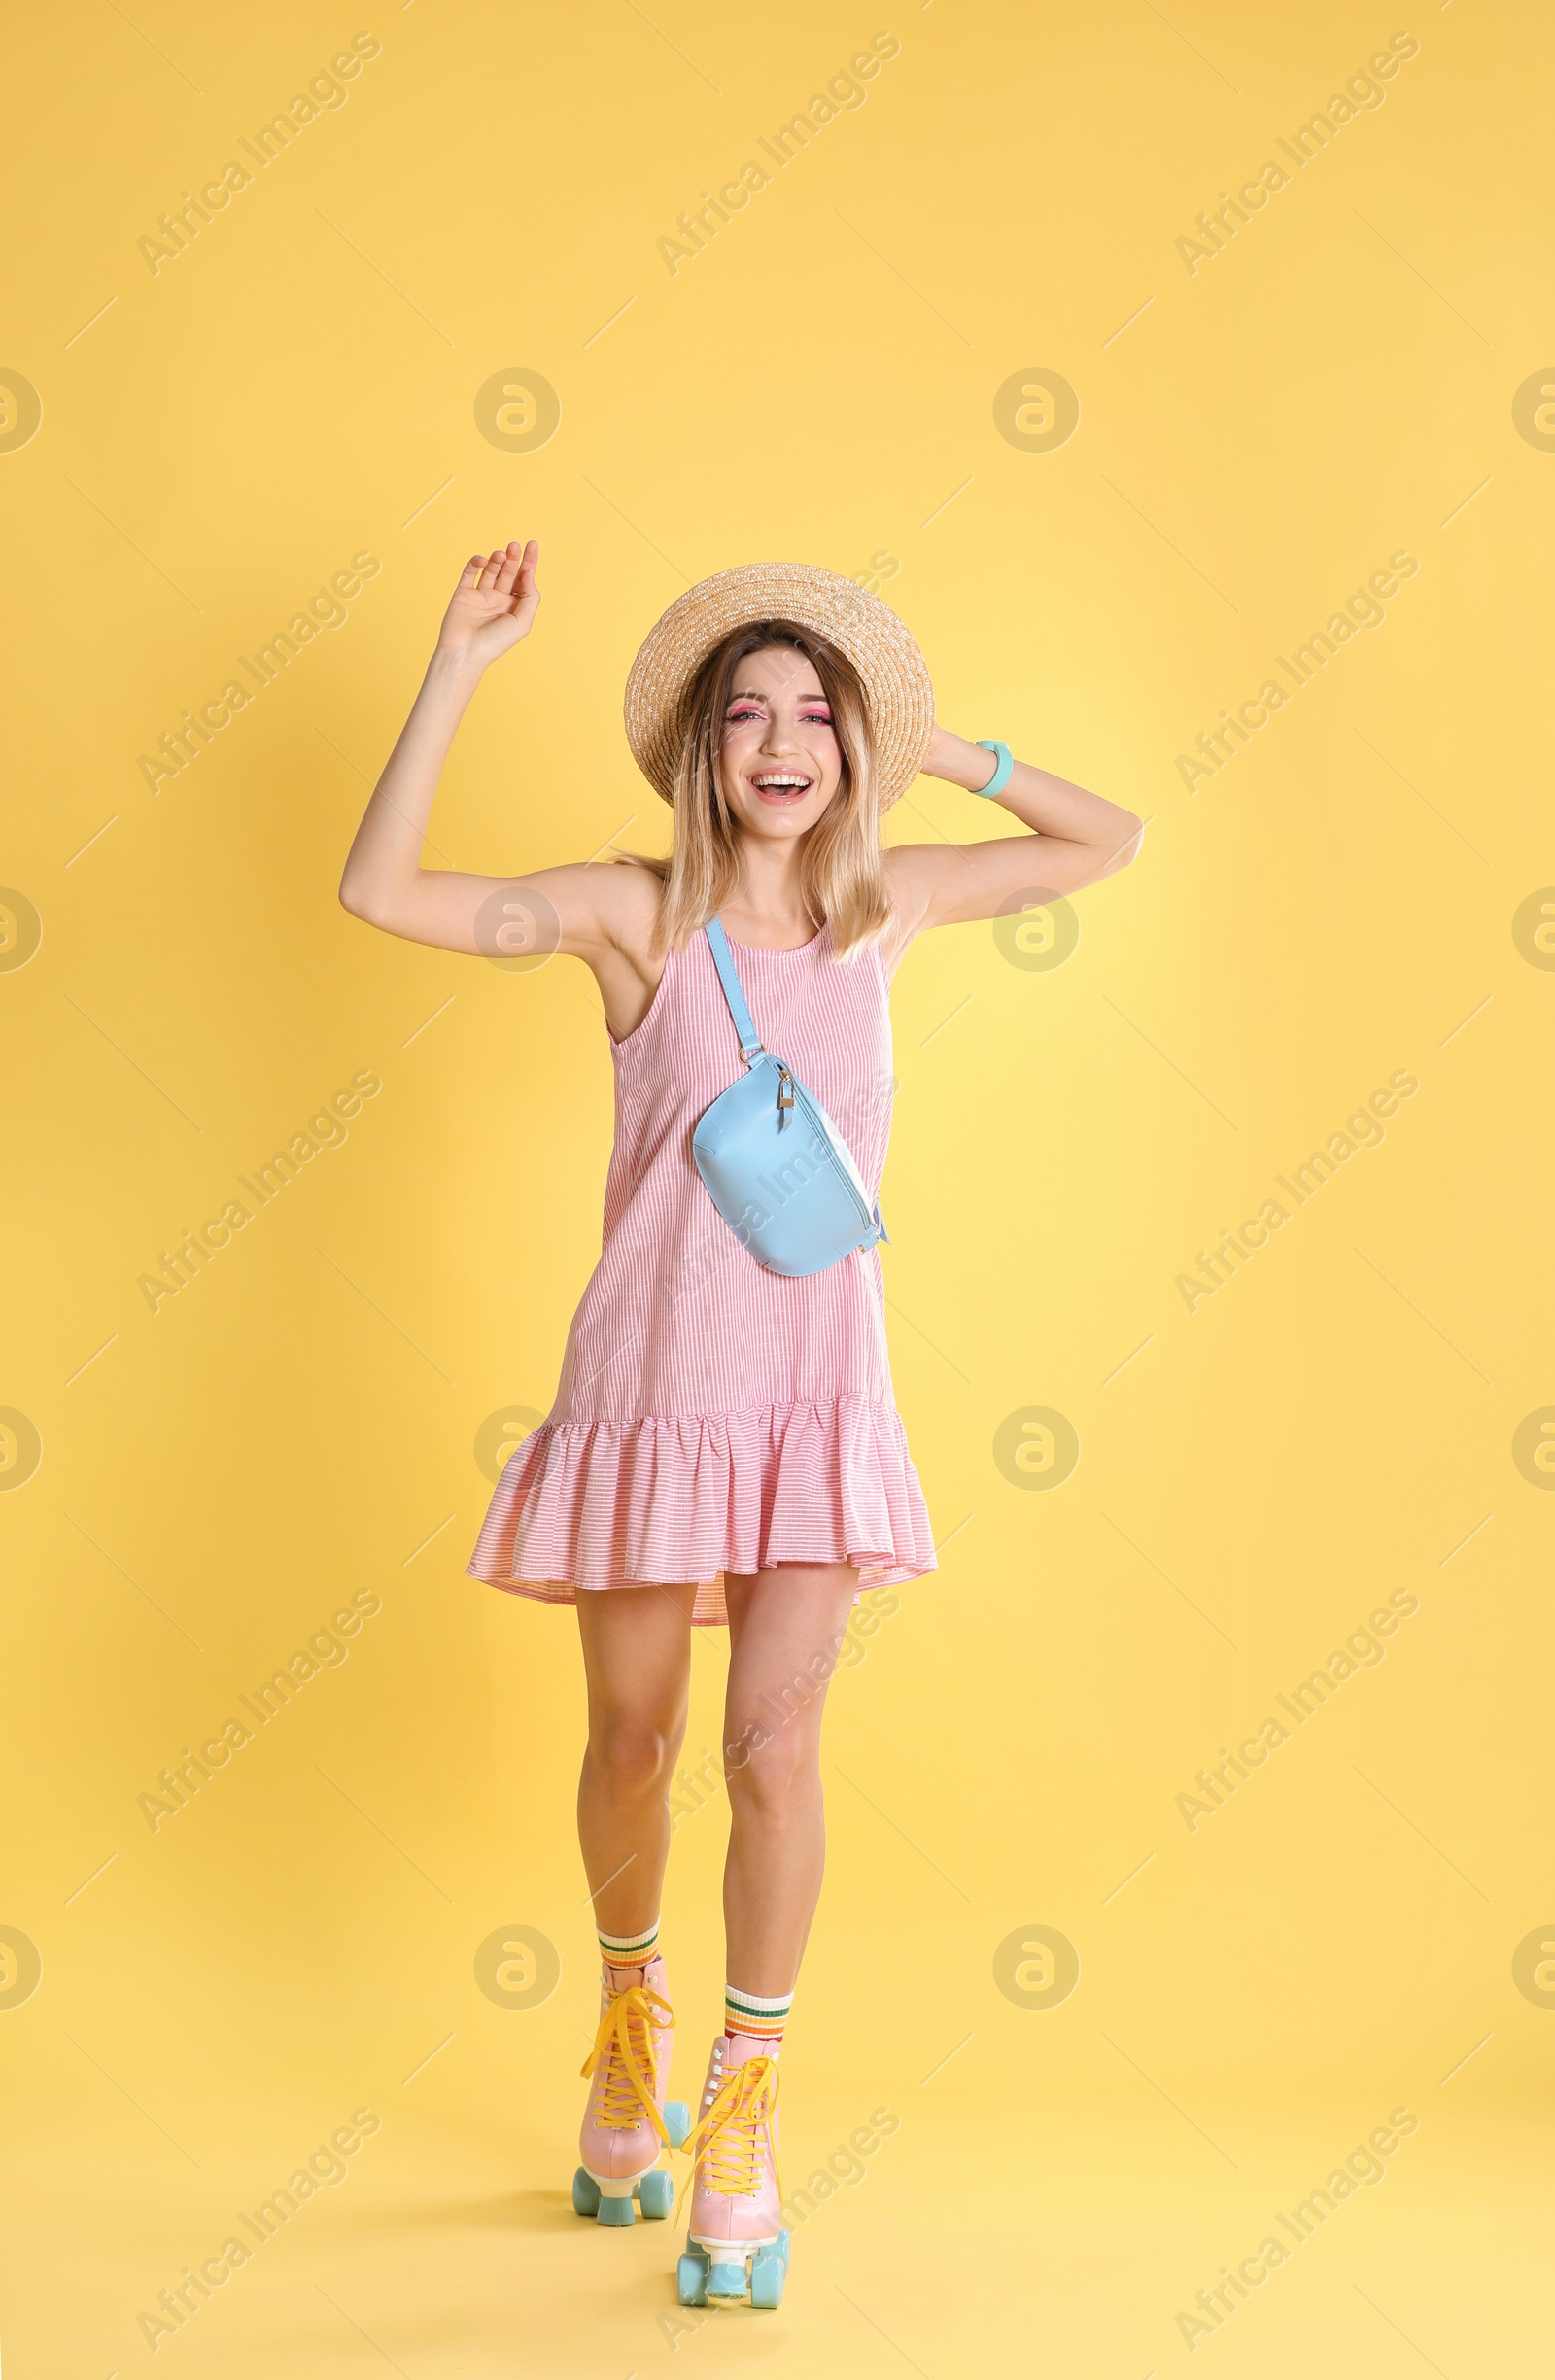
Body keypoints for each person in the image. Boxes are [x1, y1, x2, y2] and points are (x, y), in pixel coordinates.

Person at [339, 539, 1143, 2309]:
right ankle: (629, 2021)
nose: (782, 742)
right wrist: (460, 662)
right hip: (651, 1396)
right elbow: (380, 889)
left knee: (775, 1755)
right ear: (701, 749)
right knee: (633, 1743)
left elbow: (1109, 840)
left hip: (812, 1407)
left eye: (816, 714)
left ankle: (741, 2105)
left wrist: (941, 745)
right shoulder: (636, 913)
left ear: (846, 744)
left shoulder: (885, 910)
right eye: (748, 714)